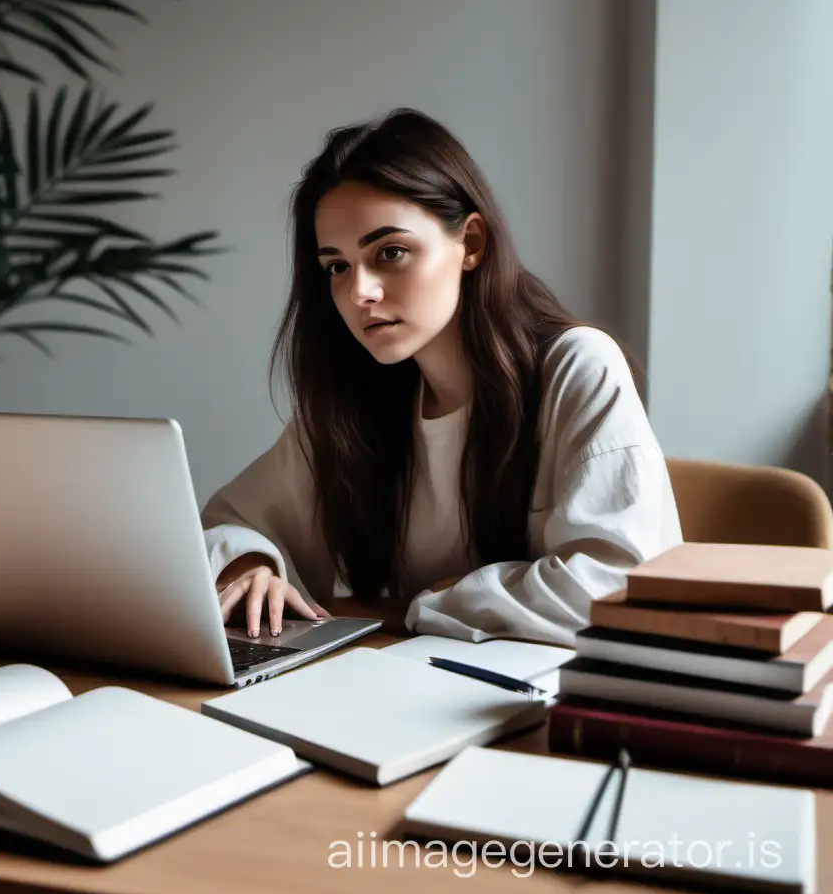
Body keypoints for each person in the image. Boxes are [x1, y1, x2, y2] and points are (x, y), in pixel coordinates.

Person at [201, 108, 683, 647]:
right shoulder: (358, 401)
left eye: (391, 253)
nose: (360, 291)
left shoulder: (576, 367)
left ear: (471, 244)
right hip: (410, 690)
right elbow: (227, 519)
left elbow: (613, 589)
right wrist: (246, 565)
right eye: (337, 266)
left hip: (557, 706)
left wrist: (430, 602)